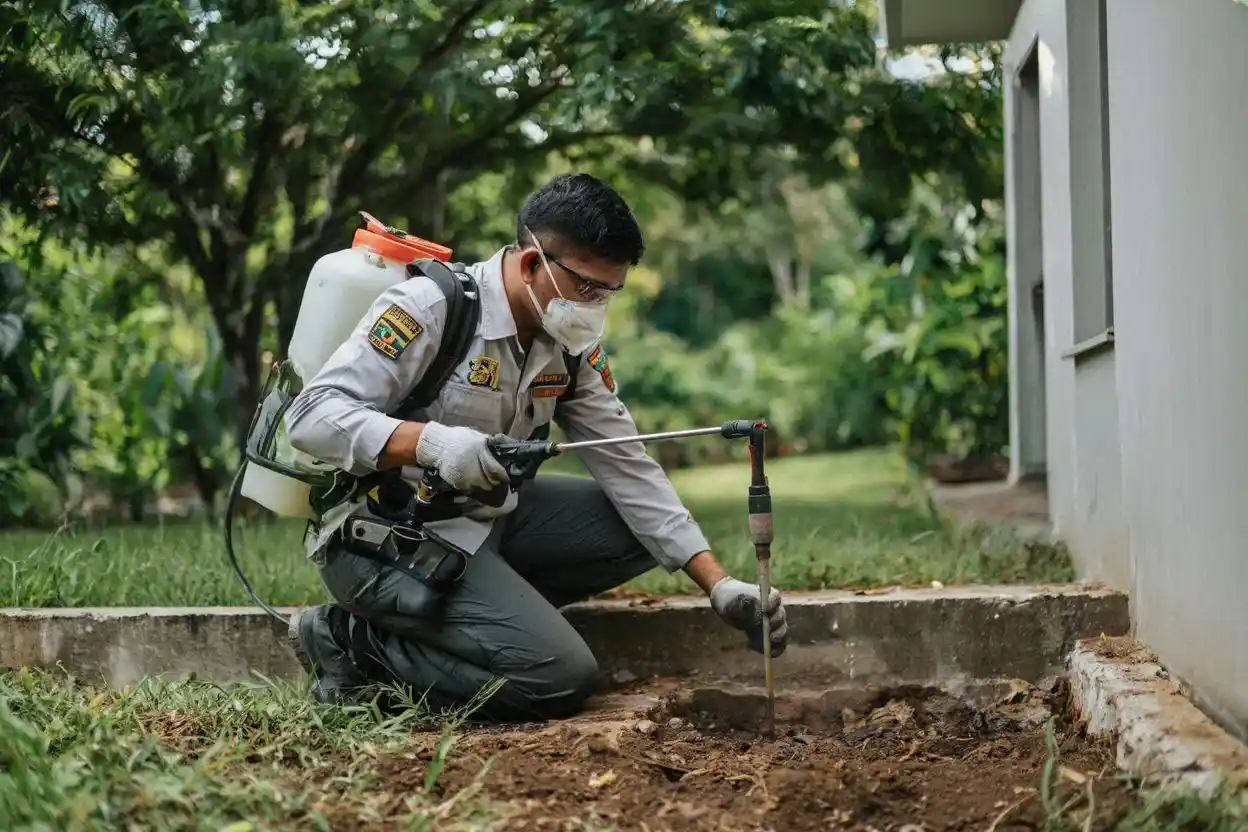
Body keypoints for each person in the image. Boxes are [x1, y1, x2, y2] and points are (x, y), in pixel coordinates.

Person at [282, 172, 788, 721]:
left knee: (639, 529)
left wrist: (718, 584)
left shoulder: (567, 346)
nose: (596, 307)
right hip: (388, 535)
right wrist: (432, 444)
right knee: (558, 678)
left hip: (490, 520)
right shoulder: (431, 308)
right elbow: (310, 417)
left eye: (610, 292)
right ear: (531, 264)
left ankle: (492, 619)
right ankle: (347, 640)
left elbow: (627, 463)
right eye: (589, 289)